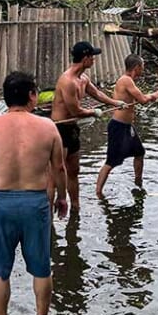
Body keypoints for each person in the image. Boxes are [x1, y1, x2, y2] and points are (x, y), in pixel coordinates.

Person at [0, 71, 67, 315]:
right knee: (42, 268)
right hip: (35, 203)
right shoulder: (48, 127)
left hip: (1, 204)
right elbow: (59, 169)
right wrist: (62, 198)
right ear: (32, 96)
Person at [50, 41, 125, 210]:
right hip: (59, 129)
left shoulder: (83, 78)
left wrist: (115, 102)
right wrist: (93, 112)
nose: (95, 60)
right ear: (85, 58)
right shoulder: (67, 81)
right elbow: (75, 110)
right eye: (92, 56)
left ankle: (75, 208)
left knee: (74, 170)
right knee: (56, 174)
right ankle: (48, 215)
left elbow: (96, 93)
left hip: (72, 129)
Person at [95, 55, 158, 198]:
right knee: (111, 161)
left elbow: (140, 98)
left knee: (139, 152)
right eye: (142, 67)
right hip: (118, 126)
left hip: (127, 126)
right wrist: (157, 94)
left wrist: (154, 95)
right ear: (136, 68)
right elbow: (142, 100)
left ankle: (138, 182)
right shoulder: (126, 81)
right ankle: (98, 192)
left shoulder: (127, 81)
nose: (143, 69)